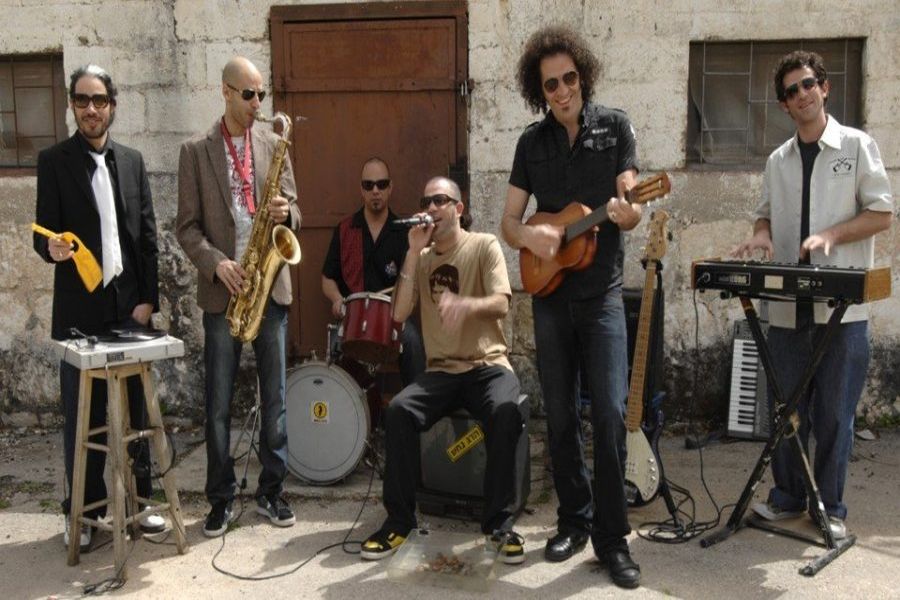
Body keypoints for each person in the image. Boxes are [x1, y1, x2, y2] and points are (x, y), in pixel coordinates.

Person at [500, 25, 642, 588]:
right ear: (539, 91)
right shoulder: (530, 144)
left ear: (583, 76)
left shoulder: (616, 128)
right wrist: (531, 237)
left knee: (608, 414)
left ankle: (612, 538)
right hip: (551, 296)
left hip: (602, 293)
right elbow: (509, 222)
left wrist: (630, 211)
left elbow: (631, 198)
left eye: (570, 79)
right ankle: (574, 521)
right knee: (559, 416)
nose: (563, 91)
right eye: (551, 84)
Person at [734, 50, 893, 540]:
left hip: (841, 314)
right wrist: (762, 235)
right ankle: (786, 499)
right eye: (791, 91)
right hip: (786, 309)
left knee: (834, 416)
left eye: (808, 84)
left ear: (824, 87)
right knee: (786, 411)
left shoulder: (856, 145)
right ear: (784, 105)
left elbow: (882, 212)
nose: (801, 95)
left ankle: (830, 508)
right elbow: (764, 215)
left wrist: (831, 236)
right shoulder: (777, 160)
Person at [360, 177, 526, 565]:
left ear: (458, 208)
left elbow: (502, 303)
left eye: (439, 200)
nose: (430, 208)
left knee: (505, 412)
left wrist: (465, 305)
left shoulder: (483, 245)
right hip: (442, 371)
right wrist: (412, 252)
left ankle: (499, 525)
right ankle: (399, 523)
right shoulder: (423, 259)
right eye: (425, 201)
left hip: (487, 365)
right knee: (399, 411)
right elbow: (400, 313)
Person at [33, 64, 165, 551]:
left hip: (129, 311)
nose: (91, 109)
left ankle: (142, 504)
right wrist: (50, 249)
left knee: (138, 415)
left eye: (100, 100)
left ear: (113, 105)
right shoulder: (53, 161)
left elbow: (146, 238)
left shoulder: (132, 160)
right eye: (82, 100)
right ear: (72, 104)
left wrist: (148, 300)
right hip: (78, 317)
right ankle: (86, 514)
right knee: (83, 421)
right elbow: (42, 231)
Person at [176, 56, 301, 537]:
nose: (257, 103)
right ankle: (221, 498)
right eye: (249, 94)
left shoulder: (273, 144)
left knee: (276, 400)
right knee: (218, 404)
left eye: (261, 94)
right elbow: (186, 227)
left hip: (269, 286)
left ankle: (272, 491)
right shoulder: (195, 151)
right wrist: (217, 264)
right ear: (225, 92)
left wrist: (287, 212)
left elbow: (297, 212)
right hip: (223, 289)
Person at [321, 157, 425, 385]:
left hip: (393, 316)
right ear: (362, 190)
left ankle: (416, 402)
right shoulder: (345, 229)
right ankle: (348, 403)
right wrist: (337, 299)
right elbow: (327, 278)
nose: (375, 191)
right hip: (352, 316)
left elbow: (412, 283)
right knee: (338, 351)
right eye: (369, 185)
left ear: (390, 188)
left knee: (412, 341)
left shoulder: (404, 233)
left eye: (381, 184)